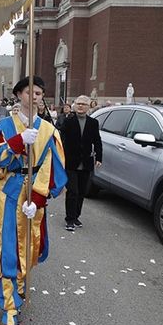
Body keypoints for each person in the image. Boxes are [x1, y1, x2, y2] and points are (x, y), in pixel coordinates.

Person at [0, 76, 67, 325]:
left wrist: (39, 198)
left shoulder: (50, 131)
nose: (34, 96)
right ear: (19, 95)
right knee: (7, 248)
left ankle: (19, 286)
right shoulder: (2, 126)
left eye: (38, 92)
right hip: (8, 192)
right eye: (29, 92)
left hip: (33, 195)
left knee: (28, 248)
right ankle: (8, 307)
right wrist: (16, 143)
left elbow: (55, 167)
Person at [60, 95, 102, 231]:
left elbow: (97, 141)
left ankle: (76, 216)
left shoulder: (93, 123)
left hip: (86, 162)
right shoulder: (69, 121)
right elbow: (61, 140)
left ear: (89, 106)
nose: (81, 106)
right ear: (74, 105)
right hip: (71, 162)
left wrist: (99, 158)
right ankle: (69, 219)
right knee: (72, 191)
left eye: (84, 104)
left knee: (81, 191)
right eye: (78, 103)